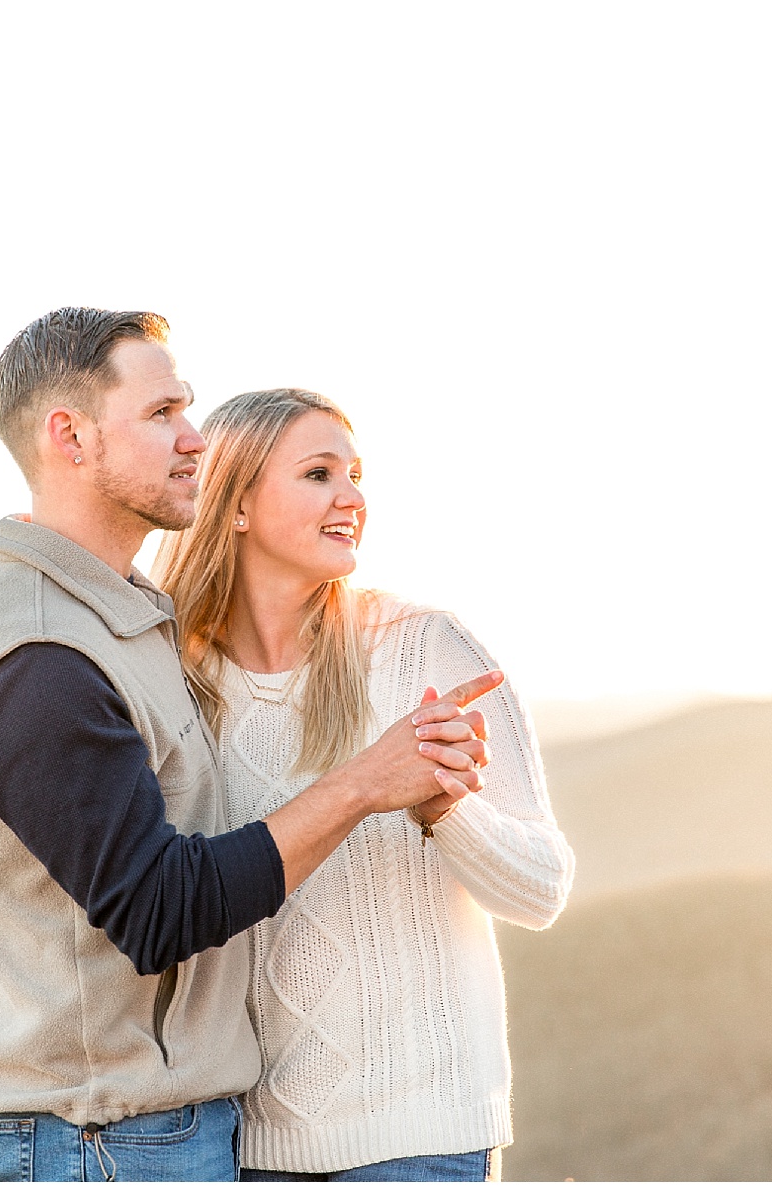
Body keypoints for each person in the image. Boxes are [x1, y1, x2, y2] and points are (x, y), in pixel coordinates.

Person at [0, 308, 501, 1182]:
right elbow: (159, 910)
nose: (195, 438)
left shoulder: (123, 619)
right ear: (69, 436)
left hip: (166, 1131)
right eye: (161, 414)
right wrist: (360, 785)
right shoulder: (41, 657)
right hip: (99, 1142)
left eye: (187, 410)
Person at [154, 388, 576, 1182]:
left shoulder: (423, 648)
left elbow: (541, 888)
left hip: (421, 1140)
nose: (352, 497)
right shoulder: (178, 681)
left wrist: (443, 805)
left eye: (356, 474)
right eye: (318, 474)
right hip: (250, 1152)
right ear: (236, 505)